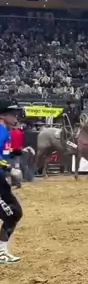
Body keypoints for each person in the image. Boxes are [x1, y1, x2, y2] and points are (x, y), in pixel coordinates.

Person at [0, 99, 24, 264]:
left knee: (14, 213)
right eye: (12, 114)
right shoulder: (1, 131)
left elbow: (4, 153)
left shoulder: (5, 131)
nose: (16, 117)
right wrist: (9, 168)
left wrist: (16, 152)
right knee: (12, 213)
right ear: (2, 116)